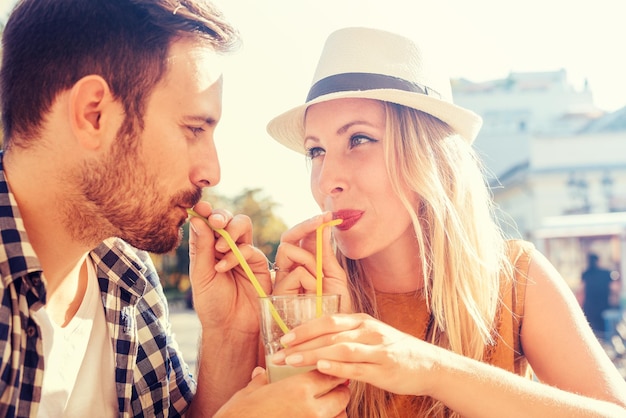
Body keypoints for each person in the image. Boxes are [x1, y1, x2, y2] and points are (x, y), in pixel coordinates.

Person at [0, 0, 349, 417]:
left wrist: (229, 335)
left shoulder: (126, 276)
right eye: (194, 129)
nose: (212, 172)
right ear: (93, 114)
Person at [262, 27, 626, 417]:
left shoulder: (515, 278)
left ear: (428, 155)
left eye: (359, 140)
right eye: (315, 150)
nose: (327, 179)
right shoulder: (298, 298)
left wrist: (433, 369)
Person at [581, 252, 617, 338]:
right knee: (604, 331)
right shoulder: (606, 273)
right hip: (603, 305)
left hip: (589, 307)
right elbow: (614, 289)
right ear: (598, 261)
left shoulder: (586, 273)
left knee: (592, 331)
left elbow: (581, 289)